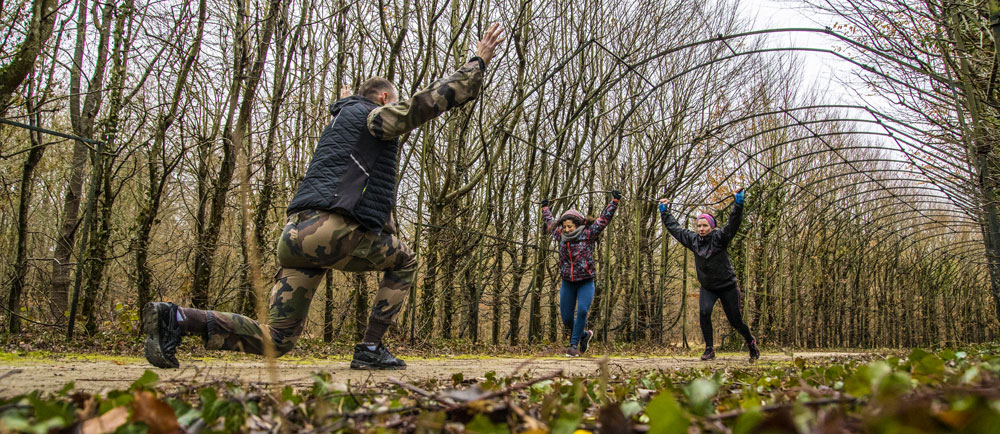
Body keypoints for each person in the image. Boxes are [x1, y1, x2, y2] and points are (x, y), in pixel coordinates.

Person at [142, 24, 506, 370]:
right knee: (405, 261)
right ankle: (371, 348)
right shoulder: (373, 118)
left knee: (279, 339)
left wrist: (346, 98)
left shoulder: (340, 124)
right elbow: (424, 104)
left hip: (295, 236)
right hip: (331, 233)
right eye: (388, 102)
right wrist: (477, 63)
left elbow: (356, 170)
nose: (390, 109)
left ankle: (176, 318)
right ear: (382, 99)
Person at [658, 189, 759, 361]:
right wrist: (665, 211)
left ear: (712, 227)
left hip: (727, 286)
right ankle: (709, 349)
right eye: (699, 226)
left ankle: (750, 342)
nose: (701, 229)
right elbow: (675, 229)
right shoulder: (693, 240)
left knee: (735, 321)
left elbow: (733, 224)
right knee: (704, 312)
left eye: (705, 226)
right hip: (708, 287)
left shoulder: (720, 237)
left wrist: (739, 204)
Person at [541, 190, 620, 357]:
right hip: (568, 282)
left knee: (583, 310)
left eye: (570, 226)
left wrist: (614, 201)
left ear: (577, 225)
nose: (567, 229)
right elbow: (549, 222)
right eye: (565, 226)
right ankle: (585, 336)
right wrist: (545, 207)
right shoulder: (559, 236)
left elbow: (604, 220)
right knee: (567, 319)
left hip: (586, 281)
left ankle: (574, 346)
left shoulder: (588, 234)